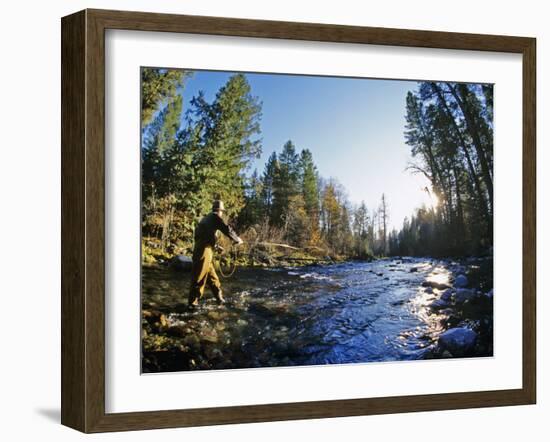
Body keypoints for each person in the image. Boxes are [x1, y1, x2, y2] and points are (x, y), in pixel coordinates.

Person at [188, 200, 243, 307]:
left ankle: (219, 298)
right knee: (199, 278)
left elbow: (204, 237)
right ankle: (192, 304)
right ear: (219, 210)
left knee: (212, 277)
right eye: (222, 211)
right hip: (204, 252)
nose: (222, 213)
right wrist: (237, 239)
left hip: (203, 250)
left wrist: (216, 247)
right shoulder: (214, 217)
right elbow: (226, 229)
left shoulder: (206, 219)